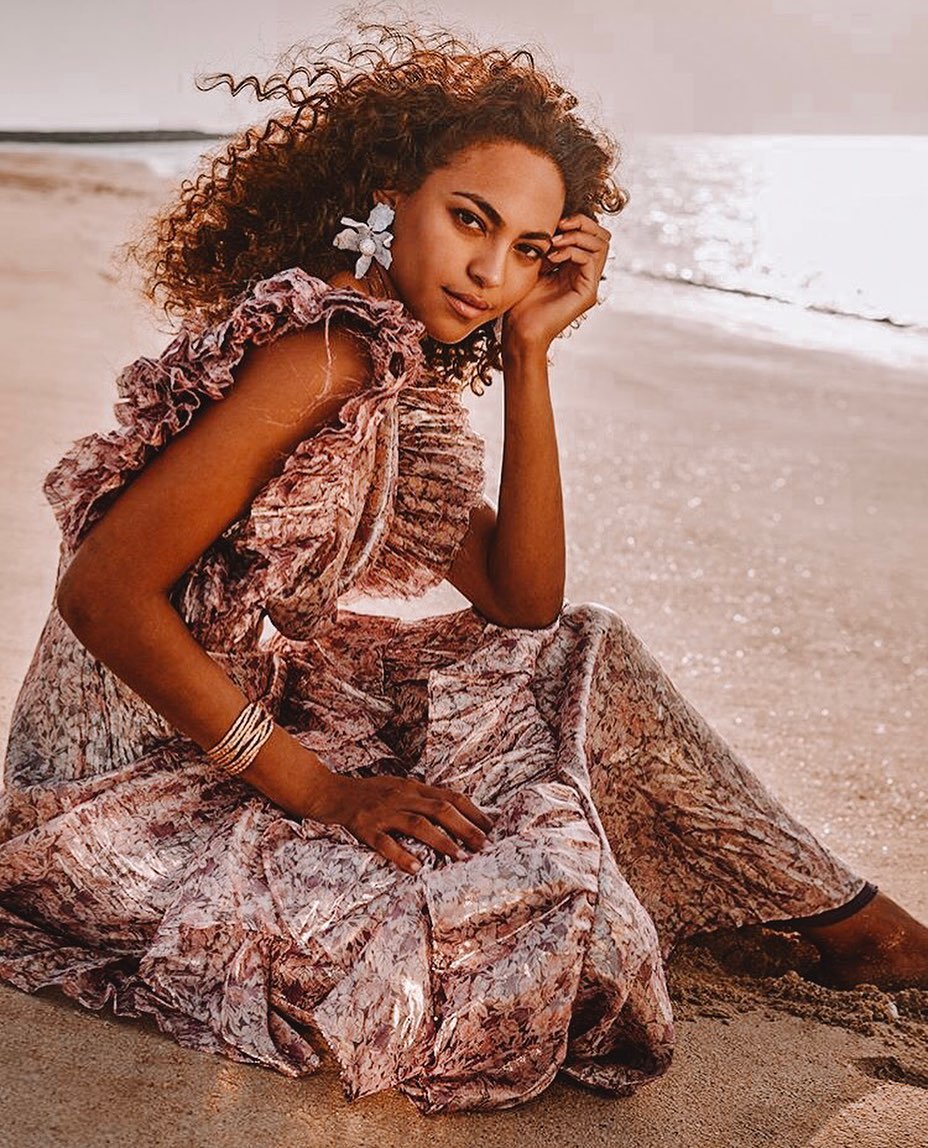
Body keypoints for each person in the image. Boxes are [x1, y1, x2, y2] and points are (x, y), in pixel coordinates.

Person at [1, 23, 925, 1116]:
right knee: (535, 926)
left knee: (585, 653)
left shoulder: (396, 371)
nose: (492, 272)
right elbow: (101, 592)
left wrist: (531, 357)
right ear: (391, 196)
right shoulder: (321, 351)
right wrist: (324, 790)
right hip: (124, 788)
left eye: (529, 249)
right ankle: (836, 922)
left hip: (253, 710)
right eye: (470, 222)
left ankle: (854, 921)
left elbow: (524, 600)